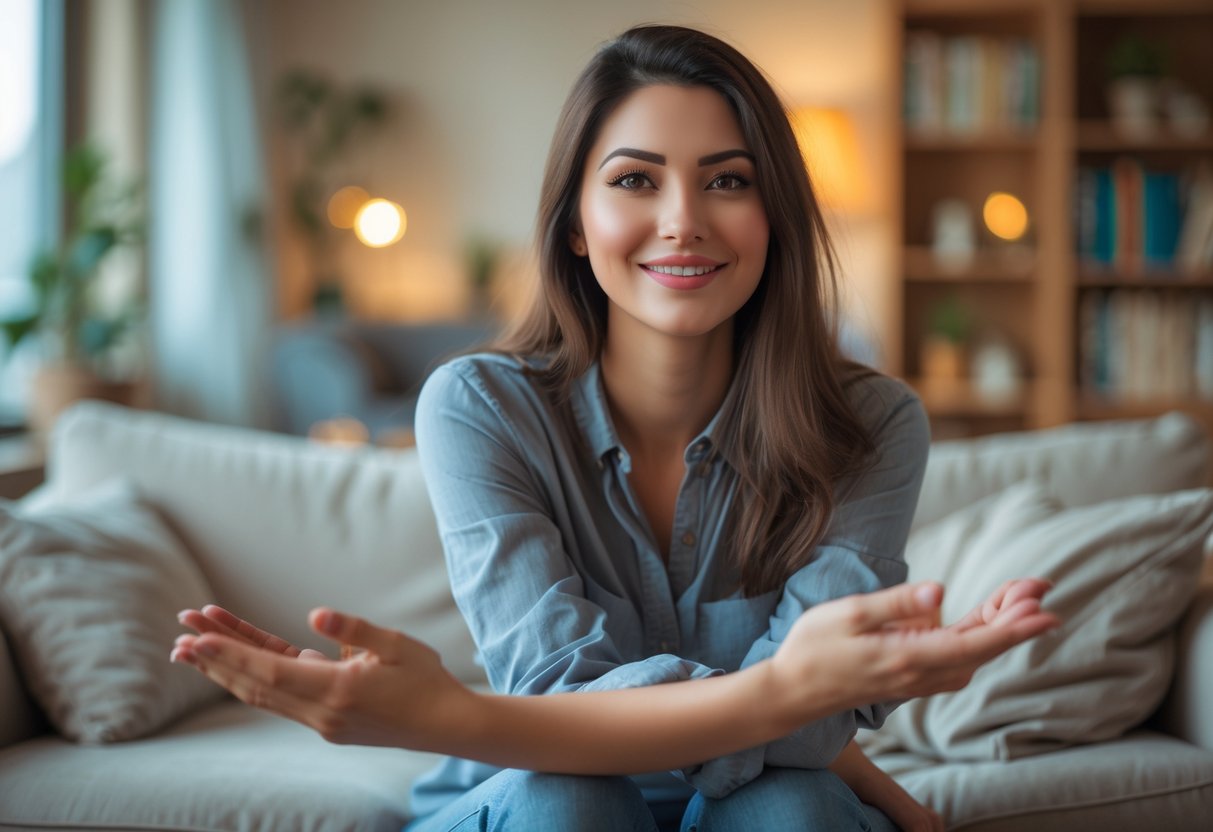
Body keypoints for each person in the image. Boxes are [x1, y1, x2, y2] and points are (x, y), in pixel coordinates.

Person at [172, 24, 1060, 832]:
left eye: (727, 180)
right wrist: (789, 695)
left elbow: (813, 723)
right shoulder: (477, 407)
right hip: (532, 802)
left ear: (774, 219)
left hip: (768, 799)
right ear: (573, 224)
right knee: (571, 796)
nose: (682, 221)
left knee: (795, 805)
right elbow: (558, 701)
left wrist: (819, 721)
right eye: (636, 179)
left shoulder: (873, 424)